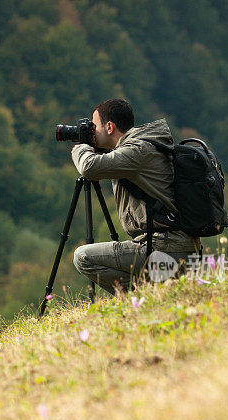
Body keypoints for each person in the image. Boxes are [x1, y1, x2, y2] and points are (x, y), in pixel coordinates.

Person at [71, 98, 200, 295]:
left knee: (83, 256)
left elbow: (89, 168)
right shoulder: (143, 146)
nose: (92, 132)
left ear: (109, 127)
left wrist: (81, 148)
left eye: (94, 127)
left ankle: (143, 300)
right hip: (171, 245)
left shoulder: (137, 150)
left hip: (165, 247)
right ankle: (151, 296)